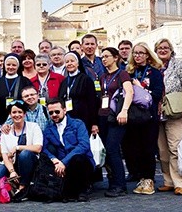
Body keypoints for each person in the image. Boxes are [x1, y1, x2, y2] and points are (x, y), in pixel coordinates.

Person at [155, 38, 182, 195]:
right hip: (158, 113)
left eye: (166, 47)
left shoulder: (180, 65)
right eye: (159, 48)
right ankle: (168, 181)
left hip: (175, 111)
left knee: (175, 148)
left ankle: (179, 182)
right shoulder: (154, 67)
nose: (163, 50)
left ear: (171, 50)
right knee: (162, 151)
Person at [125, 42, 164, 195]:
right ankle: (140, 176)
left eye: (141, 53)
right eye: (135, 53)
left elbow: (157, 93)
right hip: (133, 117)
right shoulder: (128, 72)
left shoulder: (154, 73)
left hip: (149, 116)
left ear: (148, 55)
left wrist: (140, 88)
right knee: (134, 148)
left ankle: (149, 179)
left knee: (148, 148)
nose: (138, 56)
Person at [42, 99, 95, 202]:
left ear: (65, 110)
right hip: (61, 166)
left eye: (57, 112)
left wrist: (64, 162)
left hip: (81, 163)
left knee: (77, 159)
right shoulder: (48, 129)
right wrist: (54, 160)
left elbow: (84, 145)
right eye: (51, 113)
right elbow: (43, 148)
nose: (54, 115)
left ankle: (83, 191)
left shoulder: (78, 124)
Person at [97, 47, 133, 197]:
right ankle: (113, 183)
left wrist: (124, 110)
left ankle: (120, 185)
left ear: (116, 57)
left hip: (117, 116)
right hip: (103, 116)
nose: (104, 59)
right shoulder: (103, 76)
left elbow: (129, 92)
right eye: (102, 57)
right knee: (106, 150)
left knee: (113, 149)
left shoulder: (122, 74)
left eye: (107, 56)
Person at [0, 100, 42, 201]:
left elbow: (38, 148)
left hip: (29, 162)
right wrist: (12, 171)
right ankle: (11, 185)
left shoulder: (33, 127)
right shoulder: (6, 131)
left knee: (25, 154)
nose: (17, 115)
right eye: (14, 112)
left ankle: (22, 188)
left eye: (20, 112)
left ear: (24, 114)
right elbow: (4, 154)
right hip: (12, 163)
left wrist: (18, 147)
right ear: (10, 115)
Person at [58, 52, 98, 135]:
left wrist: (94, 123)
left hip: (84, 118)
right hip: (68, 119)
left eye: (72, 61)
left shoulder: (86, 79)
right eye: (67, 62)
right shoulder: (64, 82)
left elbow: (92, 102)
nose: (69, 64)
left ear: (78, 63)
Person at [0, 54, 32, 125]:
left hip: (20, 118)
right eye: (8, 65)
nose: (11, 67)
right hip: (2, 119)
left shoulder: (25, 81)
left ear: (18, 66)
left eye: (14, 65)